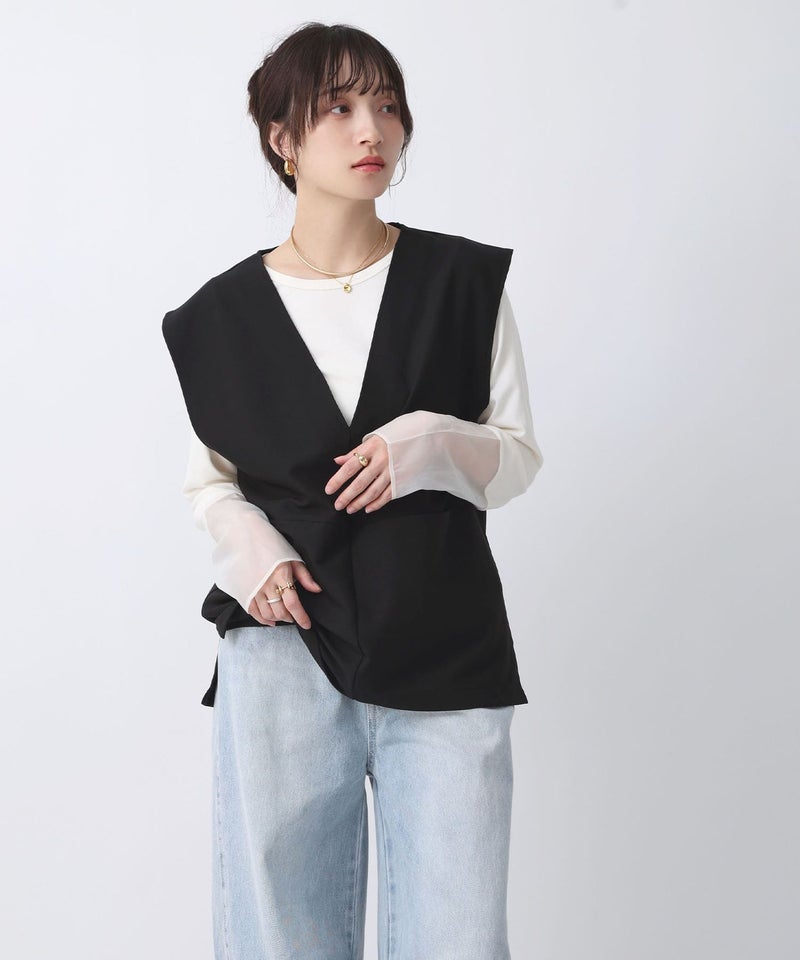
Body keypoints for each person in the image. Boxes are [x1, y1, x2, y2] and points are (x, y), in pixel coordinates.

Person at [162, 20, 544, 960]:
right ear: (282, 139)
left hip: (444, 639)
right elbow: (211, 482)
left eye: (387, 105)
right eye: (337, 107)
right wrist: (250, 549)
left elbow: (516, 457)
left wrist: (430, 443)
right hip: (281, 649)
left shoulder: (463, 283)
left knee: (458, 936)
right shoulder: (215, 318)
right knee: (277, 936)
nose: (372, 128)